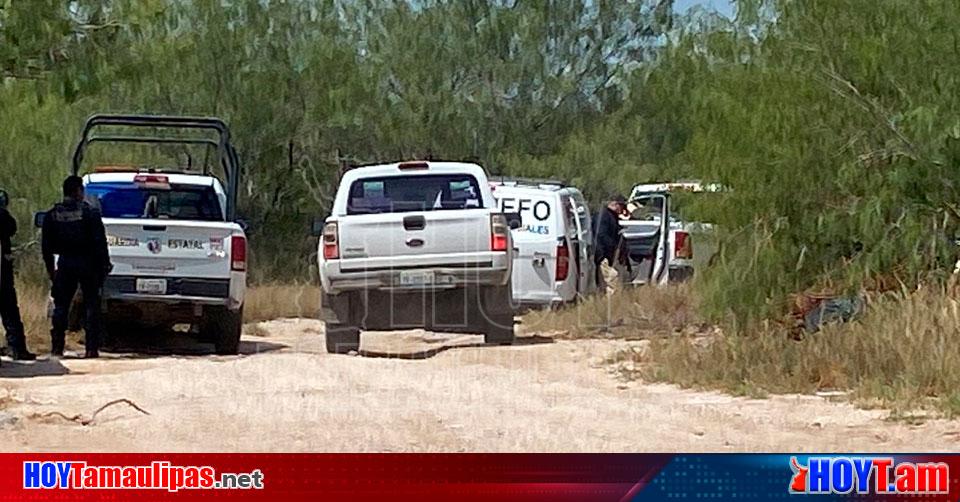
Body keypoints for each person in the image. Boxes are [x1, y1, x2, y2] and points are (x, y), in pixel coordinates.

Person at [42, 176, 112, 358]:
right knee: (91, 305)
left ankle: (57, 347)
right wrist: (105, 265)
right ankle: (91, 349)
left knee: (61, 306)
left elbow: (46, 247)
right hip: (88, 264)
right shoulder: (90, 213)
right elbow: (100, 243)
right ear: (79, 191)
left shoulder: (53, 214)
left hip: (65, 263)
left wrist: (51, 271)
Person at [0, 191, 36, 361]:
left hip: (3, 271)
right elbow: (12, 227)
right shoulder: (3, 217)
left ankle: (17, 348)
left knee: (10, 311)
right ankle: (17, 348)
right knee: (9, 311)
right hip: (2, 275)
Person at [593, 194, 627, 293]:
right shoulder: (604, 216)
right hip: (602, 255)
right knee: (612, 282)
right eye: (622, 206)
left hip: (606, 256)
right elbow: (601, 235)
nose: (622, 210)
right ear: (615, 204)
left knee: (611, 281)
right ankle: (610, 305)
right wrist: (614, 247)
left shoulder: (610, 216)